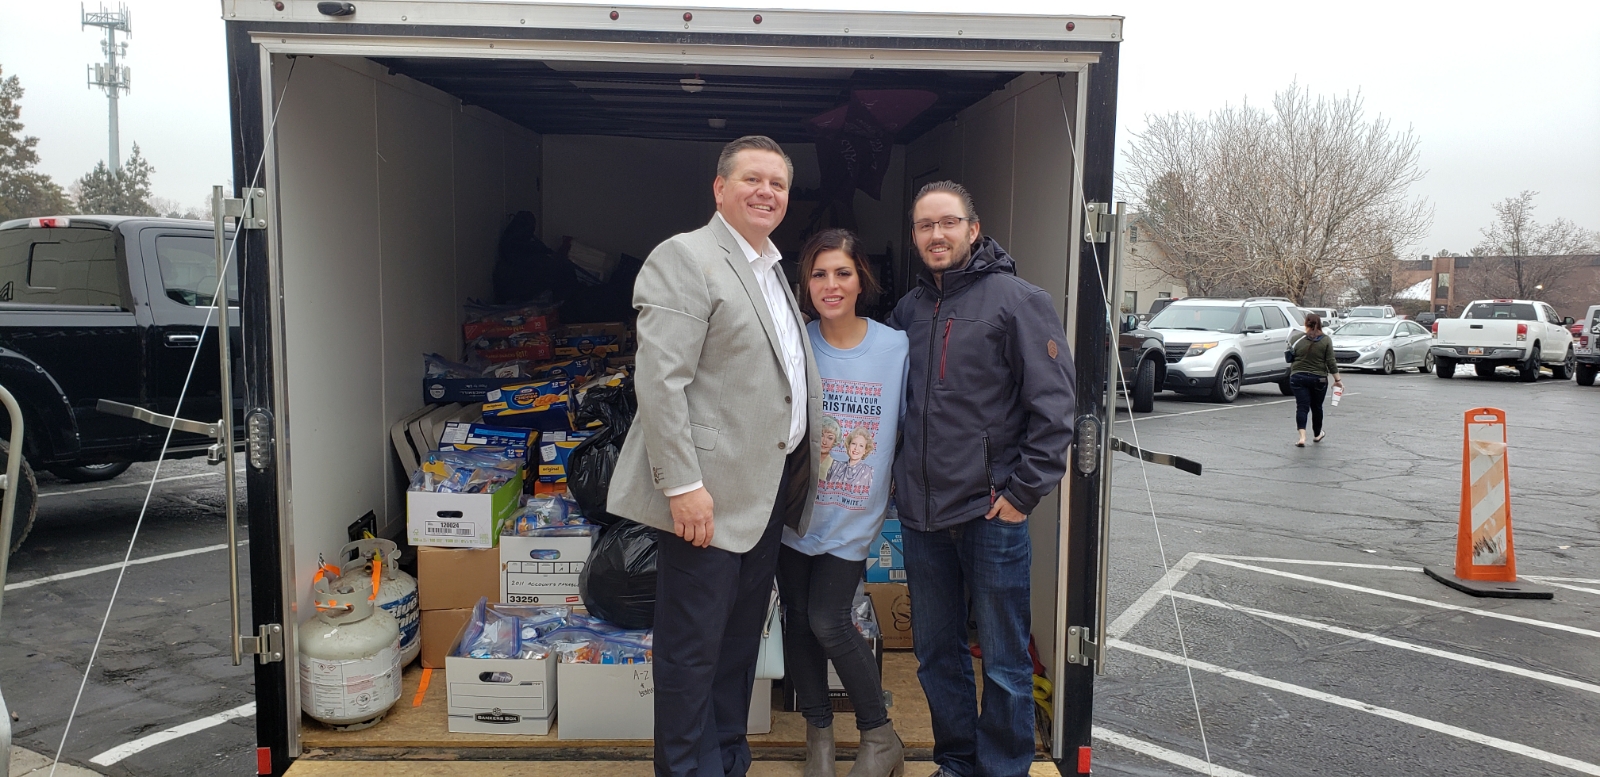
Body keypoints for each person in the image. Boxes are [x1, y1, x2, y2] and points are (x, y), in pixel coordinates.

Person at [608, 135, 824, 777]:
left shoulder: (771, 267)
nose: (766, 192)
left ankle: (727, 760)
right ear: (719, 187)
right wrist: (681, 486)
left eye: (778, 184)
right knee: (691, 651)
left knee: (737, 646)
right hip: (706, 496)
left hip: (762, 492)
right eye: (752, 179)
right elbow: (660, 382)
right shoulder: (687, 257)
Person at [887, 181, 1076, 777]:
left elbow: (1056, 411)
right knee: (935, 655)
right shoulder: (908, 311)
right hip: (921, 517)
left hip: (991, 514)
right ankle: (956, 762)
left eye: (948, 222)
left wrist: (1021, 495)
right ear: (914, 236)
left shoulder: (1019, 302)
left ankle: (1002, 768)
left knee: (1003, 661)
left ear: (973, 229)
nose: (936, 234)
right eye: (925, 225)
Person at [779, 228, 909, 777]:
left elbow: (915, 426)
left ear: (861, 280)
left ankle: (879, 735)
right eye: (818, 274)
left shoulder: (895, 348)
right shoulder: (796, 343)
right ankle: (820, 740)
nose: (830, 285)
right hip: (795, 512)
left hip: (854, 516)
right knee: (797, 621)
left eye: (842, 273)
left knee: (827, 620)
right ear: (805, 284)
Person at [1288, 312, 1341, 447]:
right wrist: (1337, 380)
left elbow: (1289, 357)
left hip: (1298, 377)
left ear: (1306, 323)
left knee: (1302, 407)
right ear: (1320, 324)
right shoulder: (1326, 340)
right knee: (1317, 407)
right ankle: (1317, 434)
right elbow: (1331, 361)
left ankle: (1302, 437)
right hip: (1319, 379)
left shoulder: (1296, 339)